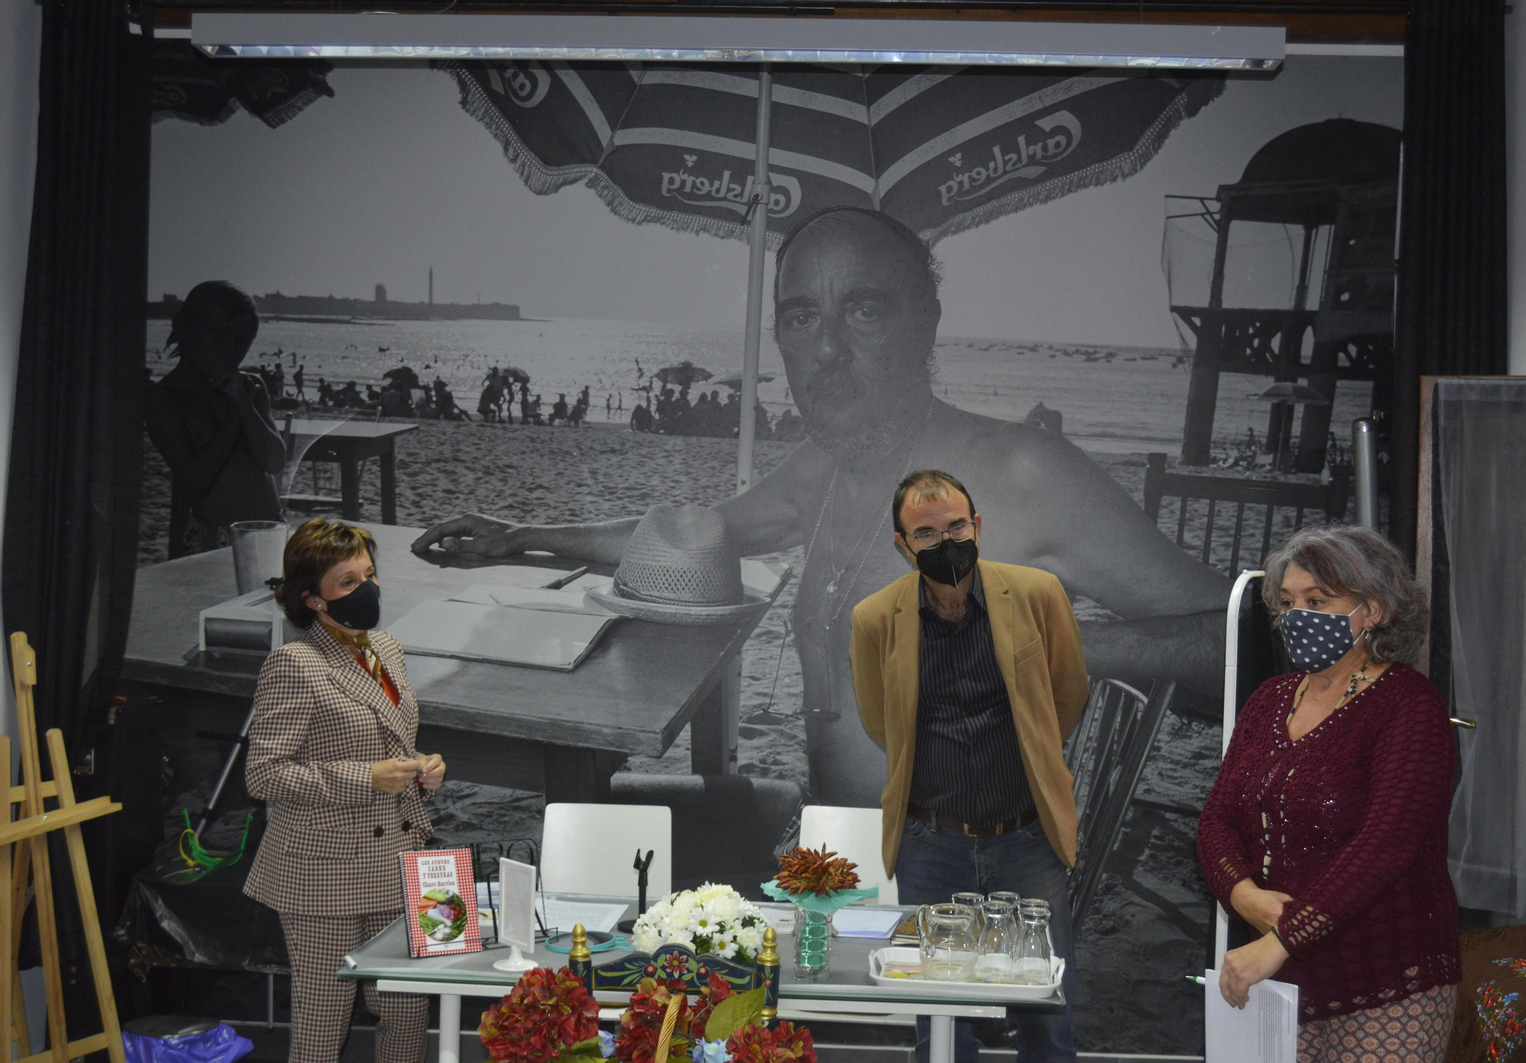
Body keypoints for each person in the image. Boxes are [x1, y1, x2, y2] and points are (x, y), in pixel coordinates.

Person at [410, 206, 1228, 807]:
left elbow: (1247, 644)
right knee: (594, 824)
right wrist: (520, 535)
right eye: (802, 317)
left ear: (926, 323)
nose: (828, 348)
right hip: (831, 860)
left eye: (864, 310)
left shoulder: (1024, 469)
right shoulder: (829, 466)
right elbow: (693, 536)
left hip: (950, 896)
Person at [1196, 524, 1461, 1062]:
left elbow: (1385, 846)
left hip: (1386, 980)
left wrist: (1280, 940)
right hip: (1279, 983)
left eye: (1317, 600)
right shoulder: (1270, 699)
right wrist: (1242, 896)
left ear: (1374, 610)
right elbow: (1217, 819)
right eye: (1288, 602)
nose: (1297, 617)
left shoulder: (1410, 705)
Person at [851, 470, 1086, 1063]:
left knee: (1046, 1004)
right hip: (932, 842)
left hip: (1027, 836)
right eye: (926, 533)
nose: (945, 541)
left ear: (977, 526)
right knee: (939, 1013)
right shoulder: (875, 619)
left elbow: (1067, 695)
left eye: (956, 526)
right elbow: (881, 722)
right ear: (903, 545)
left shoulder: (1037, 594)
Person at [245, 518, 447, 1063]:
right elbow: (263, 774)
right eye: (349, 582)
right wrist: (366, 777)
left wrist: (424, 767)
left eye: (370, 574)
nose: (368, 589)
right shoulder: (294, 665)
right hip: (324, 866)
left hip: (402, 856)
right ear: (313, 599)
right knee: (324, 1011)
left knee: (408, 1007)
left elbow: (391, 736)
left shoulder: (387, 648)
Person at [146, 281, 288, 557]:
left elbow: (274, 461)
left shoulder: (251, 388)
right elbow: (194, 477)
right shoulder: (165, 398)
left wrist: (244, 404)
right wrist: (235, 415)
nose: (229, 349)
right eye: (217, 334)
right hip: (211, 534)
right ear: (183, 328)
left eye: (241, 342)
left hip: (267, 526)